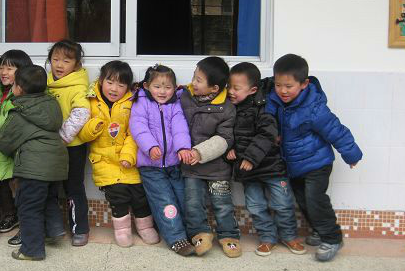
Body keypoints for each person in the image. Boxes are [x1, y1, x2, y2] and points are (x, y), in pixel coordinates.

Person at [265, 54, 362, 262]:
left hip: (317, 163)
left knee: (315, 199)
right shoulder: (274, 101)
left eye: (289, 86)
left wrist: (351, 154)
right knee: (303, 201)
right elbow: (269, 122)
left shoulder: (314, 108)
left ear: (304, 84)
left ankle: (332, 238)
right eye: (278, 85)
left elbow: (336, 130)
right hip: (294, 165)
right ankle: (319, 229)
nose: (283, 91)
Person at [227, 62, 306, 257]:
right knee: (255, 206)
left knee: (283, 204)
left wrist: (251, 157)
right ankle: (267, 238)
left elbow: (267, 133)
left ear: (252, 90)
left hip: (272, 166)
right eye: (229, 87)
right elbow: (227, 133)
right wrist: (230, 148)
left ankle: (289, 236)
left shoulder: (263, 107)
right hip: (247, 171)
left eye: (236, 88)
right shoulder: (230, 109)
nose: (230, 92)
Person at [79, 61, 159, 247]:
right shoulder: (91, 101)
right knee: (118, 195)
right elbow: (82, 134)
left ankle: (145, 227)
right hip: (104, 161)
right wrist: (92, 127)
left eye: (121, 85)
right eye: (110, 82)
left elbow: (134, 133)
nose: (114, 89)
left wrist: (128, 156)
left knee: (139, 194)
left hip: (129, 160)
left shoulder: (132, 102)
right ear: (101, 81)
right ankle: (122, 230)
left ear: (128, 87)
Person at [0, 65, 69, 261]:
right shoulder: (52, 105)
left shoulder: (20, 113)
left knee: (29, 207)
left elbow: (4, 143)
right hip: (56, 164)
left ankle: (31, 250)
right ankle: (54, 230)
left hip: (34, 168)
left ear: (19, 88)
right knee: (48, 199)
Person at [129, 65, 195, 256]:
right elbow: (138, 127)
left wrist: (183, 148)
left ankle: (191, 233)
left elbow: (180, 127)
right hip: (151, 166)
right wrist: (150, 146)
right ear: (147, 86)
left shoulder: (175, 104)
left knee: (183, 197)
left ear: (174, 88)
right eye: (157, 86)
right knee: (165, 201)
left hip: (174, 164)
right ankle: (176, 238)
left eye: (167, 87)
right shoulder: (141, 102)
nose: (163, 92)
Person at [179, 56, 240, 257]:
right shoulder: (185, 96)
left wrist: (200, 152)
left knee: (222, 204)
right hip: (191, 167)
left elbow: (225, 138)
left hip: (217, 167)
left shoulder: (226, 108)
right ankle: (200, 234)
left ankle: (229, 236)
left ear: (214, 88)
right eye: (194, 77)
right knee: (193, 203)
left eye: (199, 80)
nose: (193, 82)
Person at [0, 50, 33, 246]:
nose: (3, 72)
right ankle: (11, 215)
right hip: (3, 147)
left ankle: (24, 224)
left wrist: (0, 119)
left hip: (19, 149)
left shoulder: (26, 91)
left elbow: (22, 116)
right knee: (3, 182)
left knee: (20, 187)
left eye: (9, 68)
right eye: (2, 67)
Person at [46, 40, 91, 246]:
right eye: (55, 59)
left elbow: (81, 113)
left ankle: (80, 228)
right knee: (49, 187)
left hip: (72, 146)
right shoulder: (45, 83)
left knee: (73, 187)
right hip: (48, 146)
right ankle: (52, 227)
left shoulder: (78, 86)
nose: (59, 64)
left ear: (77, 64)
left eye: (66, 60)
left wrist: (62, 138)